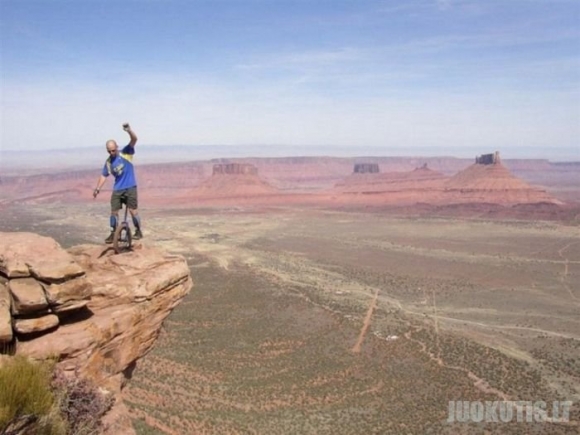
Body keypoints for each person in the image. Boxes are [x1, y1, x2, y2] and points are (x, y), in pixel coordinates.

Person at [93, 123, 143, 243]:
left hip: (130, 187)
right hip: (118, 189)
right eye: (109, 151)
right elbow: (104, 175)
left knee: (133, 210)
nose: (111, 153)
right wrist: (97, 188)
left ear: (117, 147)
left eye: (113, 150)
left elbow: (134, 139)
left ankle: (138, 231)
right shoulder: (109, 162)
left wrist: (129, 130)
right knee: (114, 211)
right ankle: (113, 233)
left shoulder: (125, 153)